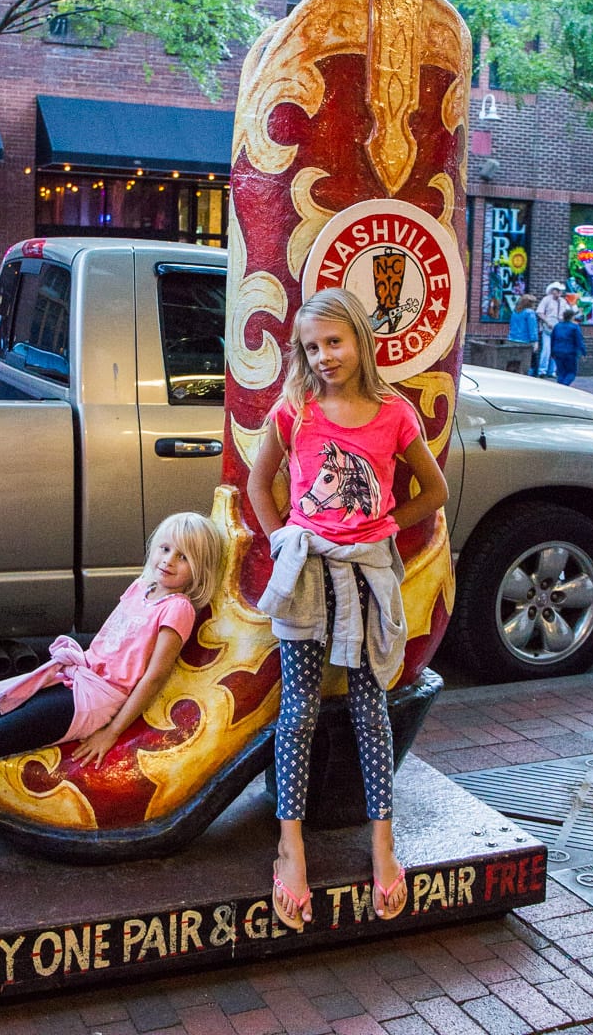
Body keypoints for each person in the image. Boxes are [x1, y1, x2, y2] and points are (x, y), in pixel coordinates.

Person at [247, 287, 448, 931]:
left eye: (334, 341)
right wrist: (283, 535)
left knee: (370, 703)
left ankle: (382, 843)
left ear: (360, 339)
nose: (324, 356)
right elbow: (260, 480)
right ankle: (290, 843)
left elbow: (434, 489)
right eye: (311, 346)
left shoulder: (394, 415)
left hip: (367, 576)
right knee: (300, 708)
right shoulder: (296, 410)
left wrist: (384, 527)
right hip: (307, 571)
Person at [0, 512, 222, 887]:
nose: (169, 560)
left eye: (184, 557)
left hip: (95, 700)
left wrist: (111, 732)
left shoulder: (178, 608)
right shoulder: (143, 586)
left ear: (200, 569)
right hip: (77, 678)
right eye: (165, 548)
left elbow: (154, 677)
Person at [536, 282, 568, 379]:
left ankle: (552, 371)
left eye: (560, 291)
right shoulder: (546, 300)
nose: (559, 293)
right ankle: (542, 370)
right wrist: (547, 322)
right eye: (557, 290)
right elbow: (539, 312)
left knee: (556, 350)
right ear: (552, 290)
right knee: (546, 349)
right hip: (548, 328)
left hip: (558, 328)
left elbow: (565, 314)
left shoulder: (563, 301)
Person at [550, 308, 586, 386]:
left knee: (561, 372)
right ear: (572, 317)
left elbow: (552, 339)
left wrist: (552, 352)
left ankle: (560, 386)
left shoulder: (557, 326)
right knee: (571, 373)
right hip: (570, 352)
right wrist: (583, 352)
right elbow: (579, 341)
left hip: (557, 351)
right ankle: (564, 386)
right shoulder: (574, 327)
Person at [508, 294, 539, 375]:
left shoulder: (515, 312)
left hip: (512, 339)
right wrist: (535, 341)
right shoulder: (530, 313)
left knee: (515, 363)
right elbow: (532, 328)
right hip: (525, 341)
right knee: (531, 363)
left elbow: (511, 326)